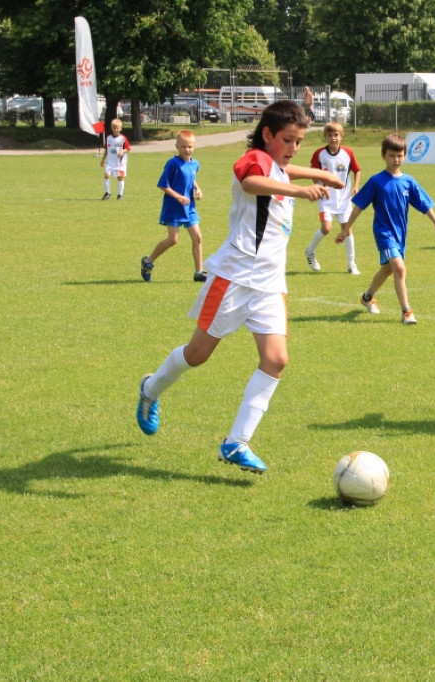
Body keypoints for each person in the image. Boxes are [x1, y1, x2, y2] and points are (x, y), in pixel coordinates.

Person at [135, 100, 343, 475]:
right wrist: (302, 190)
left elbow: (281, 169)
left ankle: (236, 443)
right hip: (235, 275)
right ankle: (150, 389)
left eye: (298, 141)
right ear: (267, 135)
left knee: (277, 359)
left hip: (268, 281)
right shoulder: (254, 159)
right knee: (198, 355)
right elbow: (250, 178)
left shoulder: (277, 163)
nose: (293, 148)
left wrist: (319, 175)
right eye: (287, 140)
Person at [336, 133, 435, 325]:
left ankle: (367, 297)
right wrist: (346, 228)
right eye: (391, 155)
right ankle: (406, 311)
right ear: (383, 156)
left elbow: (424, 203)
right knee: (399, 268)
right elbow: (359, 206)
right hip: (384, 233)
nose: (396, 159)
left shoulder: (409, 181)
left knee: (387, 270)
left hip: (400, 234)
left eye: (399, 155)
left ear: (404, 156)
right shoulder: (376, 181)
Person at [142, 130, 207, 283]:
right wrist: (178, 196)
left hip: (189, 207)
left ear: (195, 146)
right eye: (183, 146)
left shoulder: (195, 164)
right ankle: (148, 261)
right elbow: (163, 185)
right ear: (177, 146)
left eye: (190, 146)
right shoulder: (173, 163)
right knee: (173, 240)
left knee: (197, 237)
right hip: (174, 206)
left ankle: (198, 272)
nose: (187, 149)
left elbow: (191, 179)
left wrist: (198, 188)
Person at [305, 121, 362, 275]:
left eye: (336, 135)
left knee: (347, 230)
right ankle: (310, 251)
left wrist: (356, 186)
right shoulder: (319, 154)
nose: (333, 138)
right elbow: (313, 172)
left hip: (344, 200)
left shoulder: (348, 153)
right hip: (326, 199)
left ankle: (351, 264)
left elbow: (357, 170)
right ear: (325, 136)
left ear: (341, 136)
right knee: (326, 228)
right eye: (329, 135)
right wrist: (319, 186)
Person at [101, 118, 130, 200]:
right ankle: (107, 193)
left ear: (120, 128)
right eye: (114, 128)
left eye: (117, 128)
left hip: (120, 163)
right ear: (111, 128)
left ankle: (120, 195)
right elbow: (107, 149)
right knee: (106, 176)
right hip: (110, 162)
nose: (116, 129)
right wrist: (103, 160)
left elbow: (128, 148)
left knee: (120, 177)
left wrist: (122, 151)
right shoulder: (109, 138)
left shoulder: (123, 138)